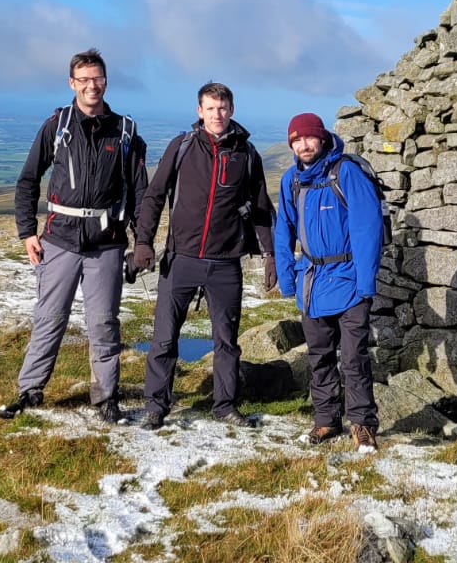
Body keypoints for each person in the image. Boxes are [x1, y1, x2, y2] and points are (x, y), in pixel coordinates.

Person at [0, 48, 148, 424]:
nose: (91, 86)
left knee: (103, 322)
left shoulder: (125, 131)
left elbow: (142, 193)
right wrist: (26, 232)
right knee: (49, 317)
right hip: (59, 239)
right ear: (72, 83)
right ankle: (30, 390)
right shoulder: (58, 126)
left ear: (105, 81)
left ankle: (106, 398)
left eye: (97, 79)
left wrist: (142, 243)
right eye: (84, 80)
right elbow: (28, 180)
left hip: (107, 243)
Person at [130, 82, 276, 430]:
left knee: (226, 341)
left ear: (232, 110)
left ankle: (225, 405)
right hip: (180, 259)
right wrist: (144, 242)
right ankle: (156, 406)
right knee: (164, 338)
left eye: (223, 108)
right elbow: (154, 195)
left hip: (225, 263)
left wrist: (271, 254)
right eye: (210, 108)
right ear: (199, 111)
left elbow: (260, 209)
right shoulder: (182, 147)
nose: (217, 115)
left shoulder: (247, 154)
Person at [273, 112, 382, 452]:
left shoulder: (346, 173)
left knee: (353, 358)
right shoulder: (292, 180)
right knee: (319, 356)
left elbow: (368, 229)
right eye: (296, 140)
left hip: (349, 280)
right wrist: (287, 279)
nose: (303, 145)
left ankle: (362, 425)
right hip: (312, 282)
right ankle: (325, 421)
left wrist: (366, 285)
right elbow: (283, 231)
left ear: (321, 139)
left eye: (309, 138)